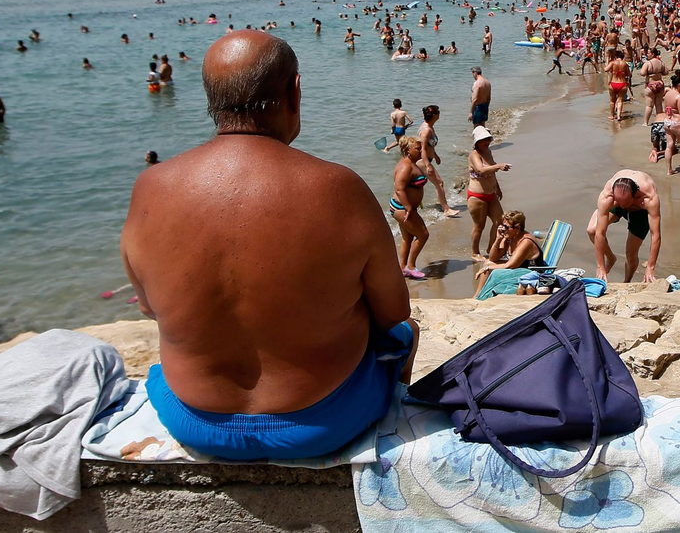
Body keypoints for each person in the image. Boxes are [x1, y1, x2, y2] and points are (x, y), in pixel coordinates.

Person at [120, 31, 418, 460]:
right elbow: (394, 313)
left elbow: (149, 308)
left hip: (193, 420)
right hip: (321, 424)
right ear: (294, 93)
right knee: (406, 334)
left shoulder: (150, 187)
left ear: (210, 99)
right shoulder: (340, 188)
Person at [587, 171, 662, 283]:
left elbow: (655, 234)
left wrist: (650, 267)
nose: (621, 205)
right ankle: (611, 258)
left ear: (634, 196)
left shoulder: (649, 198)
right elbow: (600, 233)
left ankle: (626, 281)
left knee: (631, 253)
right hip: (616, 201)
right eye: (618, 201)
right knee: (592, 230)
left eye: (625, 203)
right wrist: (600, 267)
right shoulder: (608, 197)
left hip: (639, 212)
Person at [474, 210, 546, 295]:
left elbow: (510, 265)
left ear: (518, 228)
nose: (503, 229)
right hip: (519, 267)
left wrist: (487, 268)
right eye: (503, 225)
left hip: (531, 272)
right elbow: (493, 258)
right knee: (487, 263)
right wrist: (498, 239)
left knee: (491, 269)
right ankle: (478, 295)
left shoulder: (526, 242)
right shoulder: (510, 237)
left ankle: (480, 296)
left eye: (506, 227)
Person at [466, 126, 511, 260]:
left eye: (488, 139)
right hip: (477, 197)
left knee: (500, 222)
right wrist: (498, 166)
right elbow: (481, 170)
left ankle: (491, 248)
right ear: (476, 142)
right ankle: (475, 252)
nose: (486, 142)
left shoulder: (488, 152)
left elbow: (491, 171)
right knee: (479, 226)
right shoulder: (474, 155)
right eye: (483, 140)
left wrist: (497, 187)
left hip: (491, 194)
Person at [391, 137, 431, 280]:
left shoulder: (413, 164)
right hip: (402, 208)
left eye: (421, 148)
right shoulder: (405, 166)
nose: (421, 151)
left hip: (403, 208)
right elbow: (399, 189)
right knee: (423, 235)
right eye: (417, 148)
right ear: (408, 150)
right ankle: (411, 266)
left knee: (407, 238)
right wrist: (408, 208)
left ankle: (402, 268)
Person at [417, 105, 460, 218]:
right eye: (438, 112)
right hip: (423, 161)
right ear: (435, 115)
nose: (439, 113)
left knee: (435, 183)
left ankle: (442, 205)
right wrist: (428, 165)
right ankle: (446, 209)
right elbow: (423, 149)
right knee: (439, 182)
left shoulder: (430, 127)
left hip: (428, 159)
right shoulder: (426, 130)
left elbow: (429, 146)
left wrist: (435, 156)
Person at [639, 47, 667, 126]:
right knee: (659, 104)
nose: (647, 54)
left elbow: (642, 73)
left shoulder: (648, 63)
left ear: (653, 54)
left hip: (650, 85)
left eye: (648, 53)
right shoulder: (660, 62)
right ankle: (660, 121)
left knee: (649, 105)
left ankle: (645, 122)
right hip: (660, 84)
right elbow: (666, 72)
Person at [604, 49, 630, 122]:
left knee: (612, 101)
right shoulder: (625, 64)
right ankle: (618, 116)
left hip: (613, 83)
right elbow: (629, 74)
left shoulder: (613, 62)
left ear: (616, 57)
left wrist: (611, 70)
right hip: (622, 84)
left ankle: (612, 116)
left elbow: (606, 69)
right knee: (620, 100)